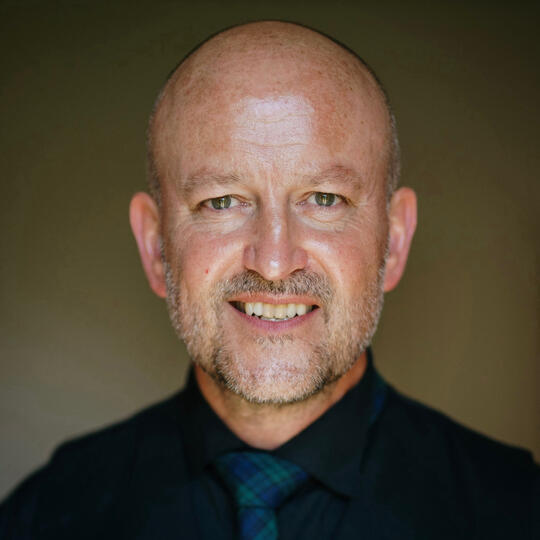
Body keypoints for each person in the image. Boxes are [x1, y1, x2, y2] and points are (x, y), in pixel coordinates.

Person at [1, 20, 538, 540]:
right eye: (222, 202)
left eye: (324, 199)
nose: (274, 262)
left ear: (394, 241)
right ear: (154, 245)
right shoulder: (46, 517)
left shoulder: (516, 512)